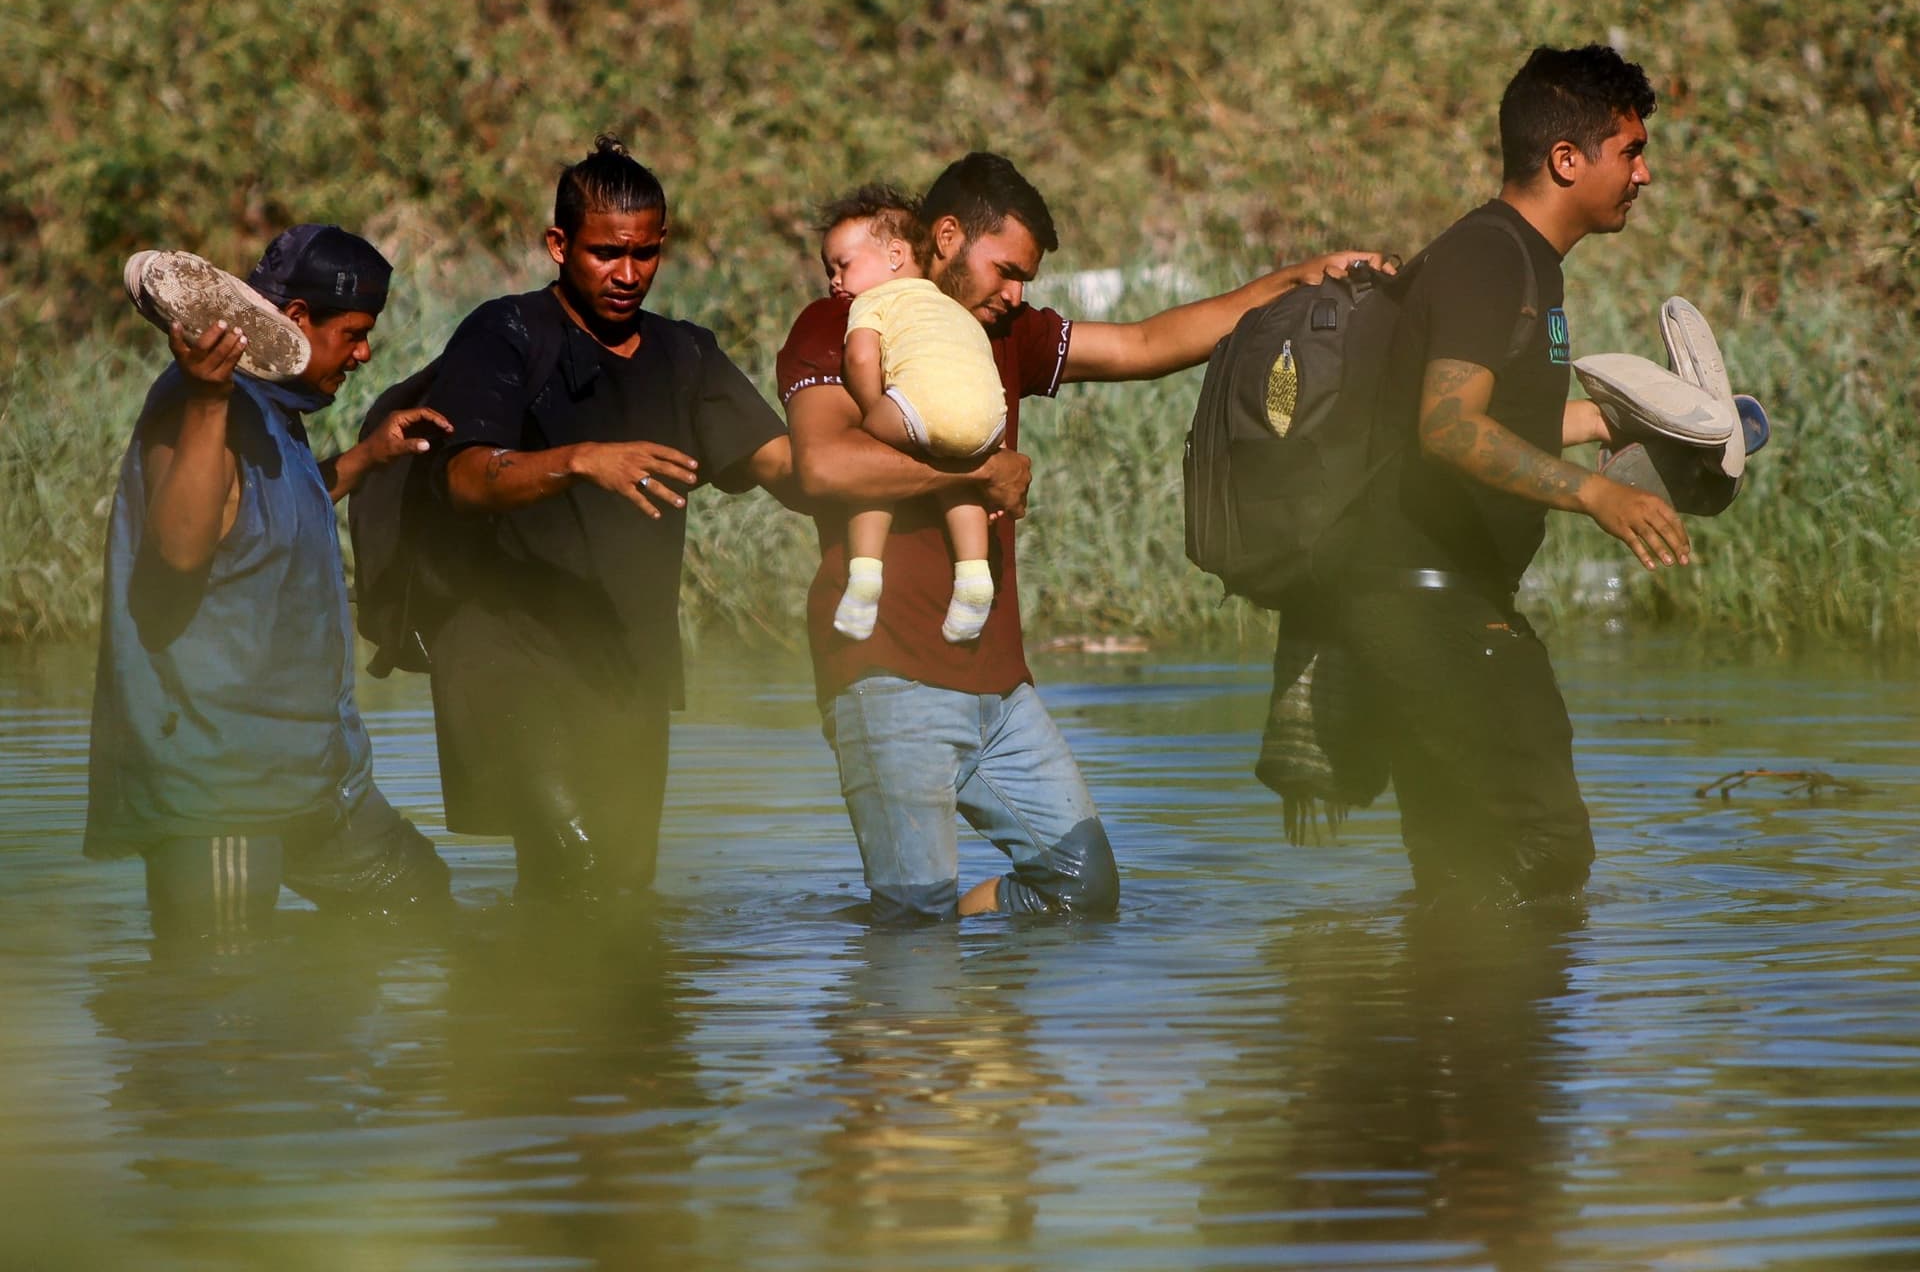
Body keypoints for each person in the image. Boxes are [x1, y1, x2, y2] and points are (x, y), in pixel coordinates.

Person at [779, 151, 1382, 923]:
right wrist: (972, 482)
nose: (1016, 293)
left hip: (996, 686)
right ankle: (904, 1018)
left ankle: (975, 1013)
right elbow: (825, 463)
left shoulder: (1006, 334)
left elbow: (1144, 344)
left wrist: (1301, 277)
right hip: (888, 672)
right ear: (949, 237)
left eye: (1026, 278)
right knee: (909, 929)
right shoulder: (848, 317)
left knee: (1080, 885)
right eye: (1005, 270)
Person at [1335, 44, 1689, 905]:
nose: (1644, 175)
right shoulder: (1489, 258)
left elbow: (1501, 423)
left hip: (1435, 604)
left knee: (1466, 863)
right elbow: (1449, 427)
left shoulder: (1529, 266)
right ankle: (1502, 1029)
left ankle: (1447, 1023)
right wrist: (1594, 493)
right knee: (1545, 849)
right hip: (1424, 606)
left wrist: (1624, 426)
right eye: (1631, 151)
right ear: (1567, 159)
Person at [418, 137, 797, 901]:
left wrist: (917, 466)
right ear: (559, 245)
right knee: (578, 873)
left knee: (623, 891)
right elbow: (462, 478)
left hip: (630, 666)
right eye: (605, 253)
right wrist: (581, 459)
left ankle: (577, 1019)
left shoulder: (685, 355)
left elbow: (781, 466)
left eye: (646, 254)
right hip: (512, 664)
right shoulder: (508, 334)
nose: (628, 274)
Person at [86, 224, 454, 942]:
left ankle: (323, 1037)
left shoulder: (269, 413)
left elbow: (258, 518)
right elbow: (185, 548)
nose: (365, 351)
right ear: (293, 322)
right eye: (353, 332)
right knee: (220, 992)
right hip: (226, 784)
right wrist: (205, 398)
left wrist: (369, 458)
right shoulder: (200, 407)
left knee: (417, 904)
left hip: (314, 772)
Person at [818, 186, 1006, 644]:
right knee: (956, 476)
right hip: (989, 420)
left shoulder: (874, 300)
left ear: (896, 255)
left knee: (873, 461)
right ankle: (975, 577)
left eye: (843, 265)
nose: (834, 281)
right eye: (829, 271)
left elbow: (861, 358)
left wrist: (873, 412)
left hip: (919, 407)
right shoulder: (952, 307)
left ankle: (863, 579)